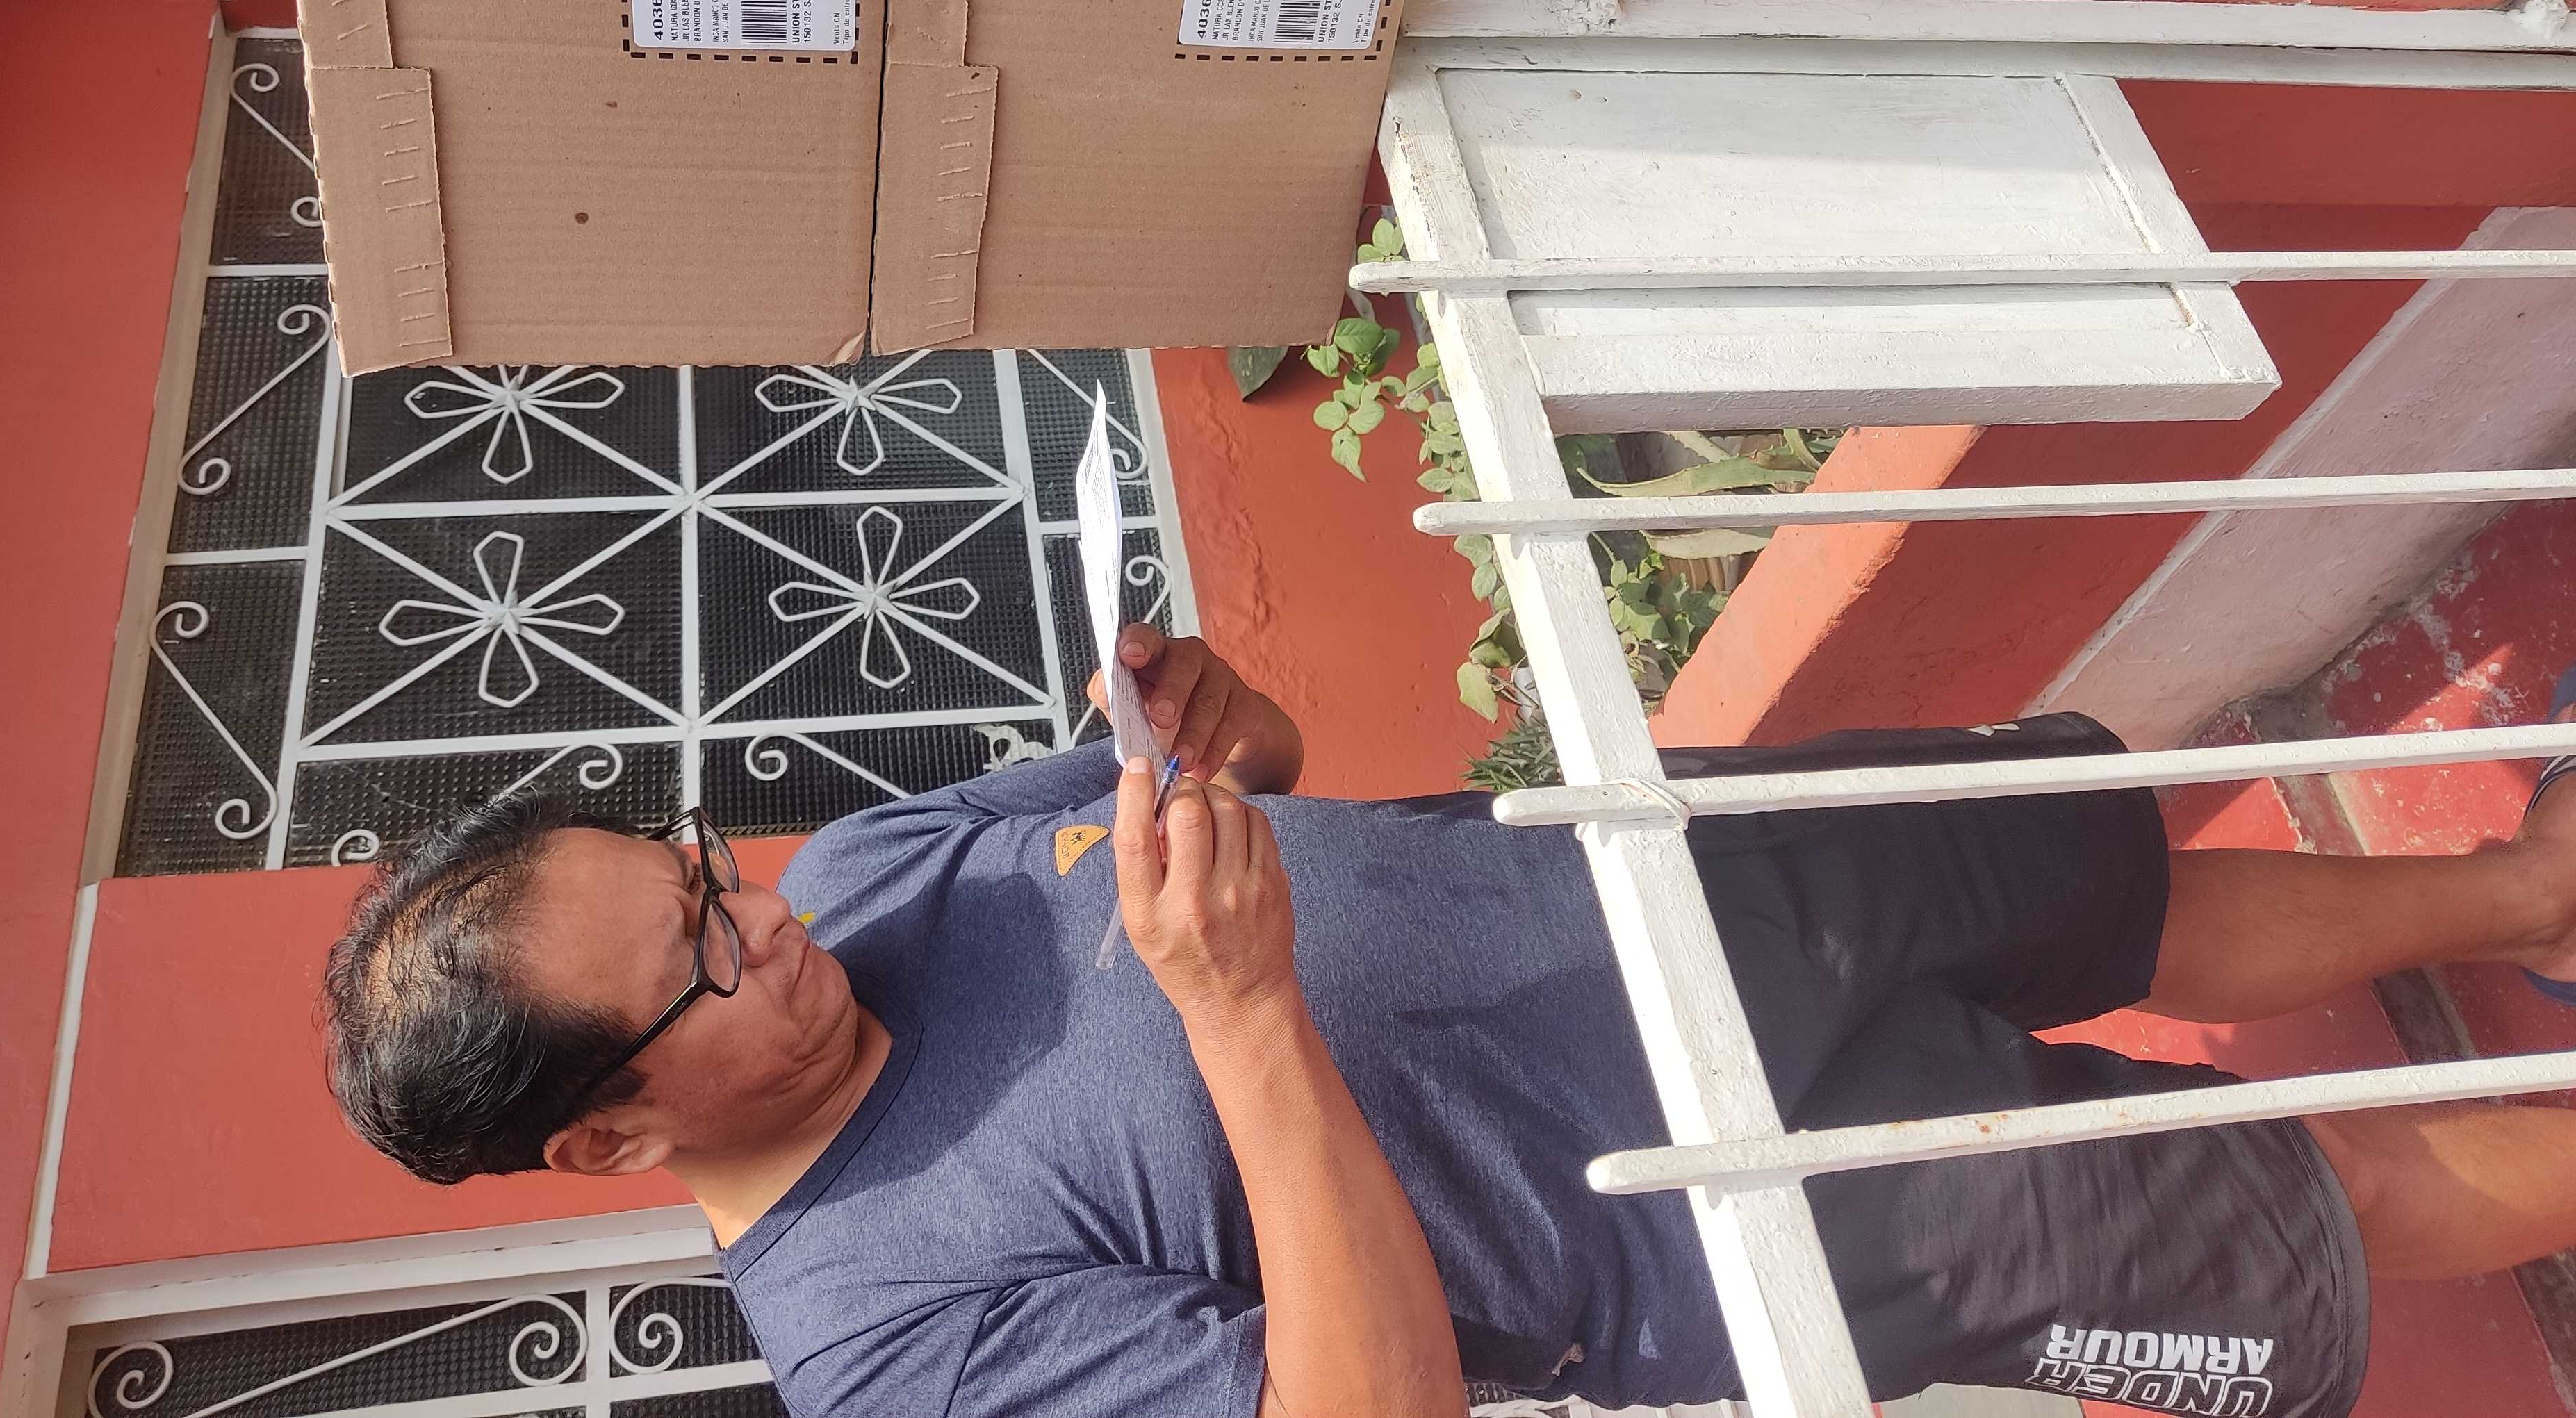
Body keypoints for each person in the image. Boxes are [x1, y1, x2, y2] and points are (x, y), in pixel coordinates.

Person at [322, 629, 2576, 1418]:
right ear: (608, 1140)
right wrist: (1240, 1018)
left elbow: (1252, 784)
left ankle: (2522, 888)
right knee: (2307, 1189)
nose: (767, 921)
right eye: (702, 959)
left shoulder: (859, 876)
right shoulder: (883, 1340)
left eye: (700, 868)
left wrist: (1225, 722)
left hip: (1670, 881)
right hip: (1738, 1210)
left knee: (2118, 893)